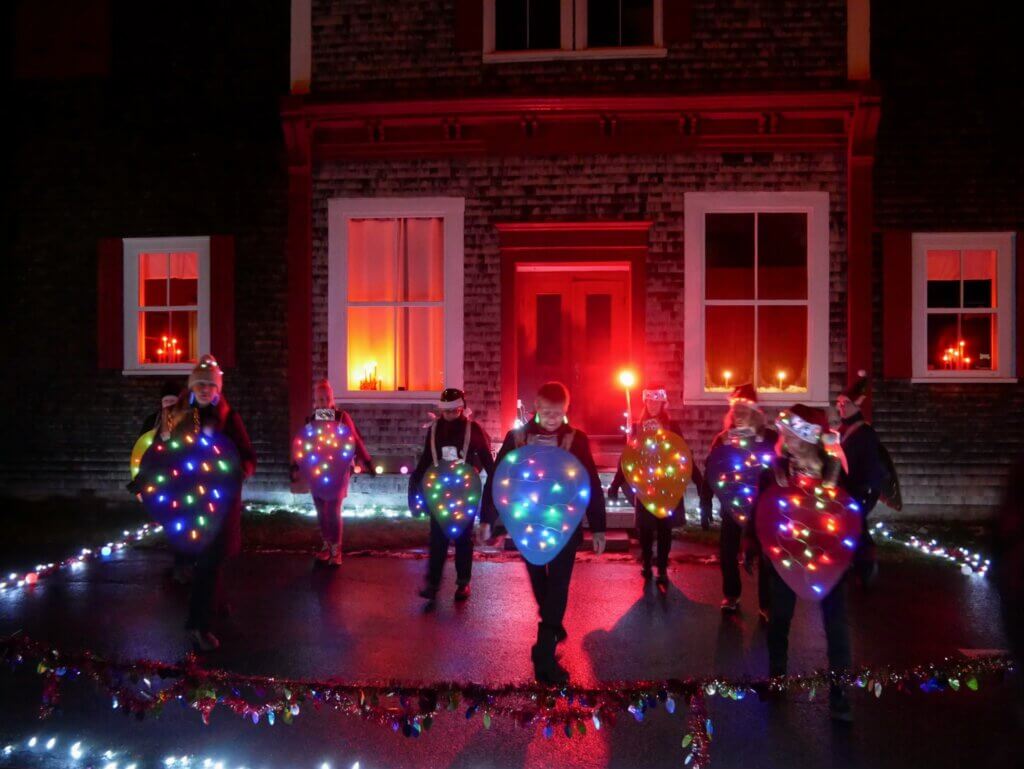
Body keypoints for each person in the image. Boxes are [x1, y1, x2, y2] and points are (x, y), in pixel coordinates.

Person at [481, 381, 607, 684]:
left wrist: (598, 527)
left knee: (559, 585)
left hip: (565, 527)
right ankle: (552, 624)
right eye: (547, 412)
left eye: (558, 413)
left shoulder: (576, 440)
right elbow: (498, 477)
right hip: (527, 526)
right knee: (540, 583)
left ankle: (544, 651)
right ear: (536, 407)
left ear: (566, 409)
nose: (552, 418)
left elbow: (590, 482)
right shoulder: (518, 438)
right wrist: (487, 519)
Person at [745, 404, 853, 721]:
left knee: (836, 624)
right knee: (779, 617)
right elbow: (761, 508)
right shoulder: (775, 472)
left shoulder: (834, 471)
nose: (785, 440)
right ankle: (777, 677)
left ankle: (840, 692)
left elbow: (851, 511)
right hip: (787, 554)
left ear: (808, 437)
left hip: (829, 556)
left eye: (791, 434)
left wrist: (864, 550)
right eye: (785, 434)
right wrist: (751, 542)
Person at [172, 355, 256, 652]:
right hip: (192, 501)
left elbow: (247, 455)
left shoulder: (229, 418)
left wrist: (238, 470)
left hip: (221, 502)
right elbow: (165, 451)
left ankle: (214, 605)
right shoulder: (181, 417)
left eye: (211, 385)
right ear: (192, 387)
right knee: (207, 563)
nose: (205, 390)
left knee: (213, 559)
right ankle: (198, 626)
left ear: (218, 389)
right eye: (200, 384)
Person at [409, 387, 495, 601]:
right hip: (439, 491)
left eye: (454, 411)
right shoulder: (435, 429)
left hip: (465, 492)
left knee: (463, 537)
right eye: (446, 411)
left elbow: (486, 458)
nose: (449, 415)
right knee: (437, 537)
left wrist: (490, 475)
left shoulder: (472, 429)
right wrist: (415, 481)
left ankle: (463, 582)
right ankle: (433, 583)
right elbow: (426, 458)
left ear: (462, 409)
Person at [701, 383, 778, 618]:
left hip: (763, 507)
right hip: (732, 505)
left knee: (765, 555)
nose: (739, 413)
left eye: (745, 408)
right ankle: (731, 594)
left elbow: (781, 468)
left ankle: (767, 604)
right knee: (728, 551)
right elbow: (711, 470)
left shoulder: (769, 437)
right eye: (736, 409)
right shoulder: (723, 439)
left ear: (755, 410)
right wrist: (706, 502)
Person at [607, 384, 685, 587]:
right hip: (645, 486)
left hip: (666, 485)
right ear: (645, 403)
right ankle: (647, 562)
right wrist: (615, 483)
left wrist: (695, 481)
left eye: (656, 402)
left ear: (663, 404)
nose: (653, 405)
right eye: (649, 402)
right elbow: (628, 457)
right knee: (646, 528)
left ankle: (662, 568)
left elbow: (683, 453)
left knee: (665, 528)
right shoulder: (637, 427)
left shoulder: (672, 427)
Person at [291, 379, 373, 567]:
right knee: (320, 508)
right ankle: (326, 545)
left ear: (331, 400)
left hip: (338, 471)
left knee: (332, 509)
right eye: (318, 400)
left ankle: (336, 548)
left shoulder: (341, 417)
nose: (322, 403)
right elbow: (304, 444)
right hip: (318, 471)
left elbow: (355, 440)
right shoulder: (313, 420)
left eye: (325, 399)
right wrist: (296, 465)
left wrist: (366, 460)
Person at [836, 371, 890, 586]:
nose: (841, 407)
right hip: (845, 488)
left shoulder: (865, 433)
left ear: (858, 405)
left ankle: (866, 568)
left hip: (860, 489)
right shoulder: (842, 429)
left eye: (846, 403)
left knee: (857, 529)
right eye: (840, 403)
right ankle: (854, 565)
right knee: (851, 528)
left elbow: (872, 465)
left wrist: (869, 494)